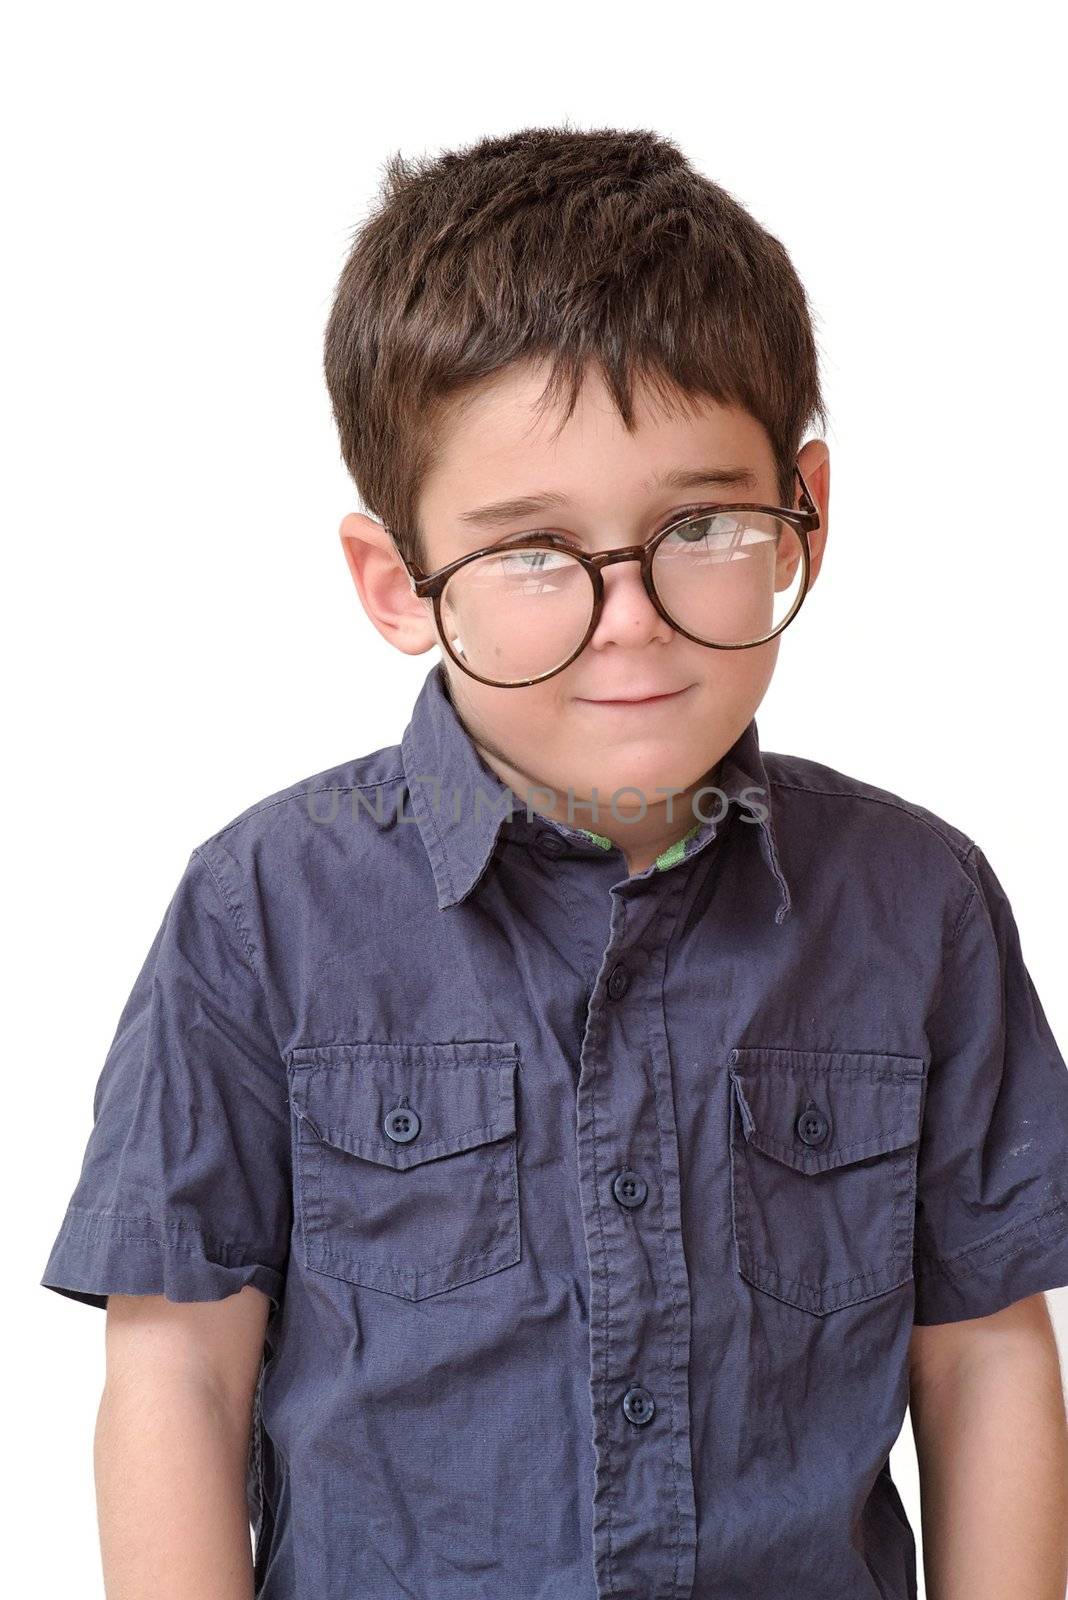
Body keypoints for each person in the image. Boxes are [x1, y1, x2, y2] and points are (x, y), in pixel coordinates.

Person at [40, 124, 1068, 1600]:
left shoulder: (920, 907)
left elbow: (985, 1360)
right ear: (397, 584)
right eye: (531, 550)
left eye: (701, 523)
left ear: (806, 515)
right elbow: (177, 1376)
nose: (631, 617)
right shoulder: (260, 910)